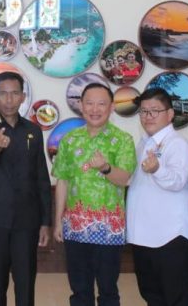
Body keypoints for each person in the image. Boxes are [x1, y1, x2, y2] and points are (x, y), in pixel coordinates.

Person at [0, 71, 52, 306]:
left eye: (14, 93)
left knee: (26, 283)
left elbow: (41, 177)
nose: (9, 99)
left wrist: (45, 221)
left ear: (22, 96)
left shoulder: (33, 130)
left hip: (27, 219)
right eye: (3, 94)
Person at [52, 83, 136, 306]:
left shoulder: (123, 140)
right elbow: (62, 180)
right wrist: (58, 221)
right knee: (79, 291)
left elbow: (124, 179)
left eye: (101, 104)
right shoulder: (70, 140)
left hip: (109, 229)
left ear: (111, 108)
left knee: (108, 291)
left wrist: (105, 167)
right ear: (81, 105)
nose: (95, 109)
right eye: (89, 103)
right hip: (75, 227)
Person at [126, 87, 188, 306]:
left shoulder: (178, 144)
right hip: (142, 236)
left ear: (170, 114)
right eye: (144, 111)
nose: (148, 116)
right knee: (152, 297)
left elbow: (178, 181)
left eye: (155, 111)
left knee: (176, 298)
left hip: (170, 237)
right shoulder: (143, 144)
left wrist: (157, 169)